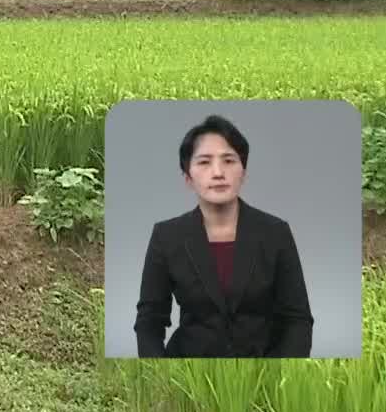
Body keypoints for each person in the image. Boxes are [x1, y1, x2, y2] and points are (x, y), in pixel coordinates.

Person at [133, 114, 313, 357]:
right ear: (188, 178)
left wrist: (278, 375)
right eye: (204, 162)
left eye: (229, 160)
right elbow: (149, 323)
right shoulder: (166, 236)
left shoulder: (275, 233)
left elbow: (298, 320)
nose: (218, 172)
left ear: (243, 172)